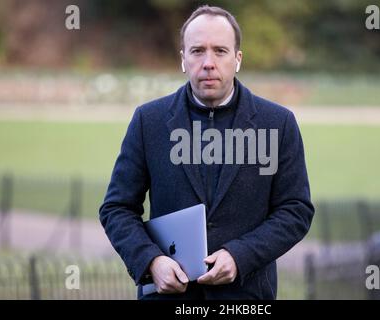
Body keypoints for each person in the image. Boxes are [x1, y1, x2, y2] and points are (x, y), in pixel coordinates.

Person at [99, 5, 314, 300]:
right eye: (198, 51)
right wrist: (151, 262)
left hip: (246, 299)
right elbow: (117, 208)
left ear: (237, 59)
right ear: (183, 60)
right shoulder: (148, 121)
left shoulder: (278, 123)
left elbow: (295, 210)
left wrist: (240, 256)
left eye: (220, 51)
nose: (208, 63)